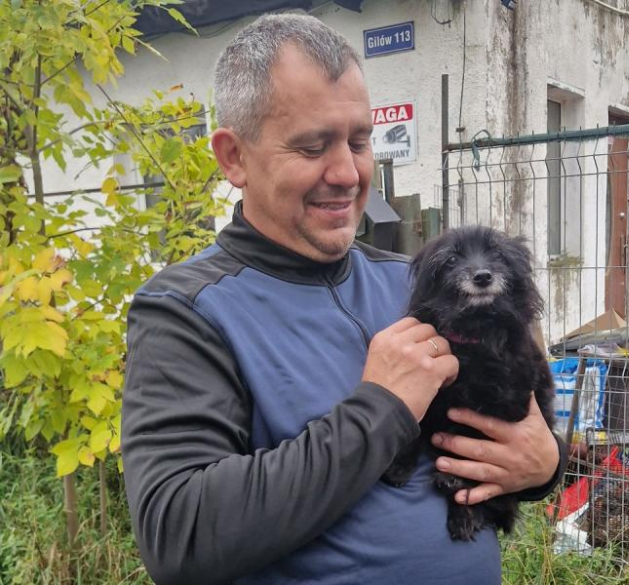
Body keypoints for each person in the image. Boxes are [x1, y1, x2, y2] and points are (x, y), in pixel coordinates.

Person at [121, 13, 566, 585]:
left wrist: (545, 464)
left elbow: (514, 406)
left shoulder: (415, 283)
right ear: (234, 157)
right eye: (311, 146)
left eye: (359, 141)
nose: (347, 173)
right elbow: (178, 536)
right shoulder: (186, 312)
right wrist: (380, 405)